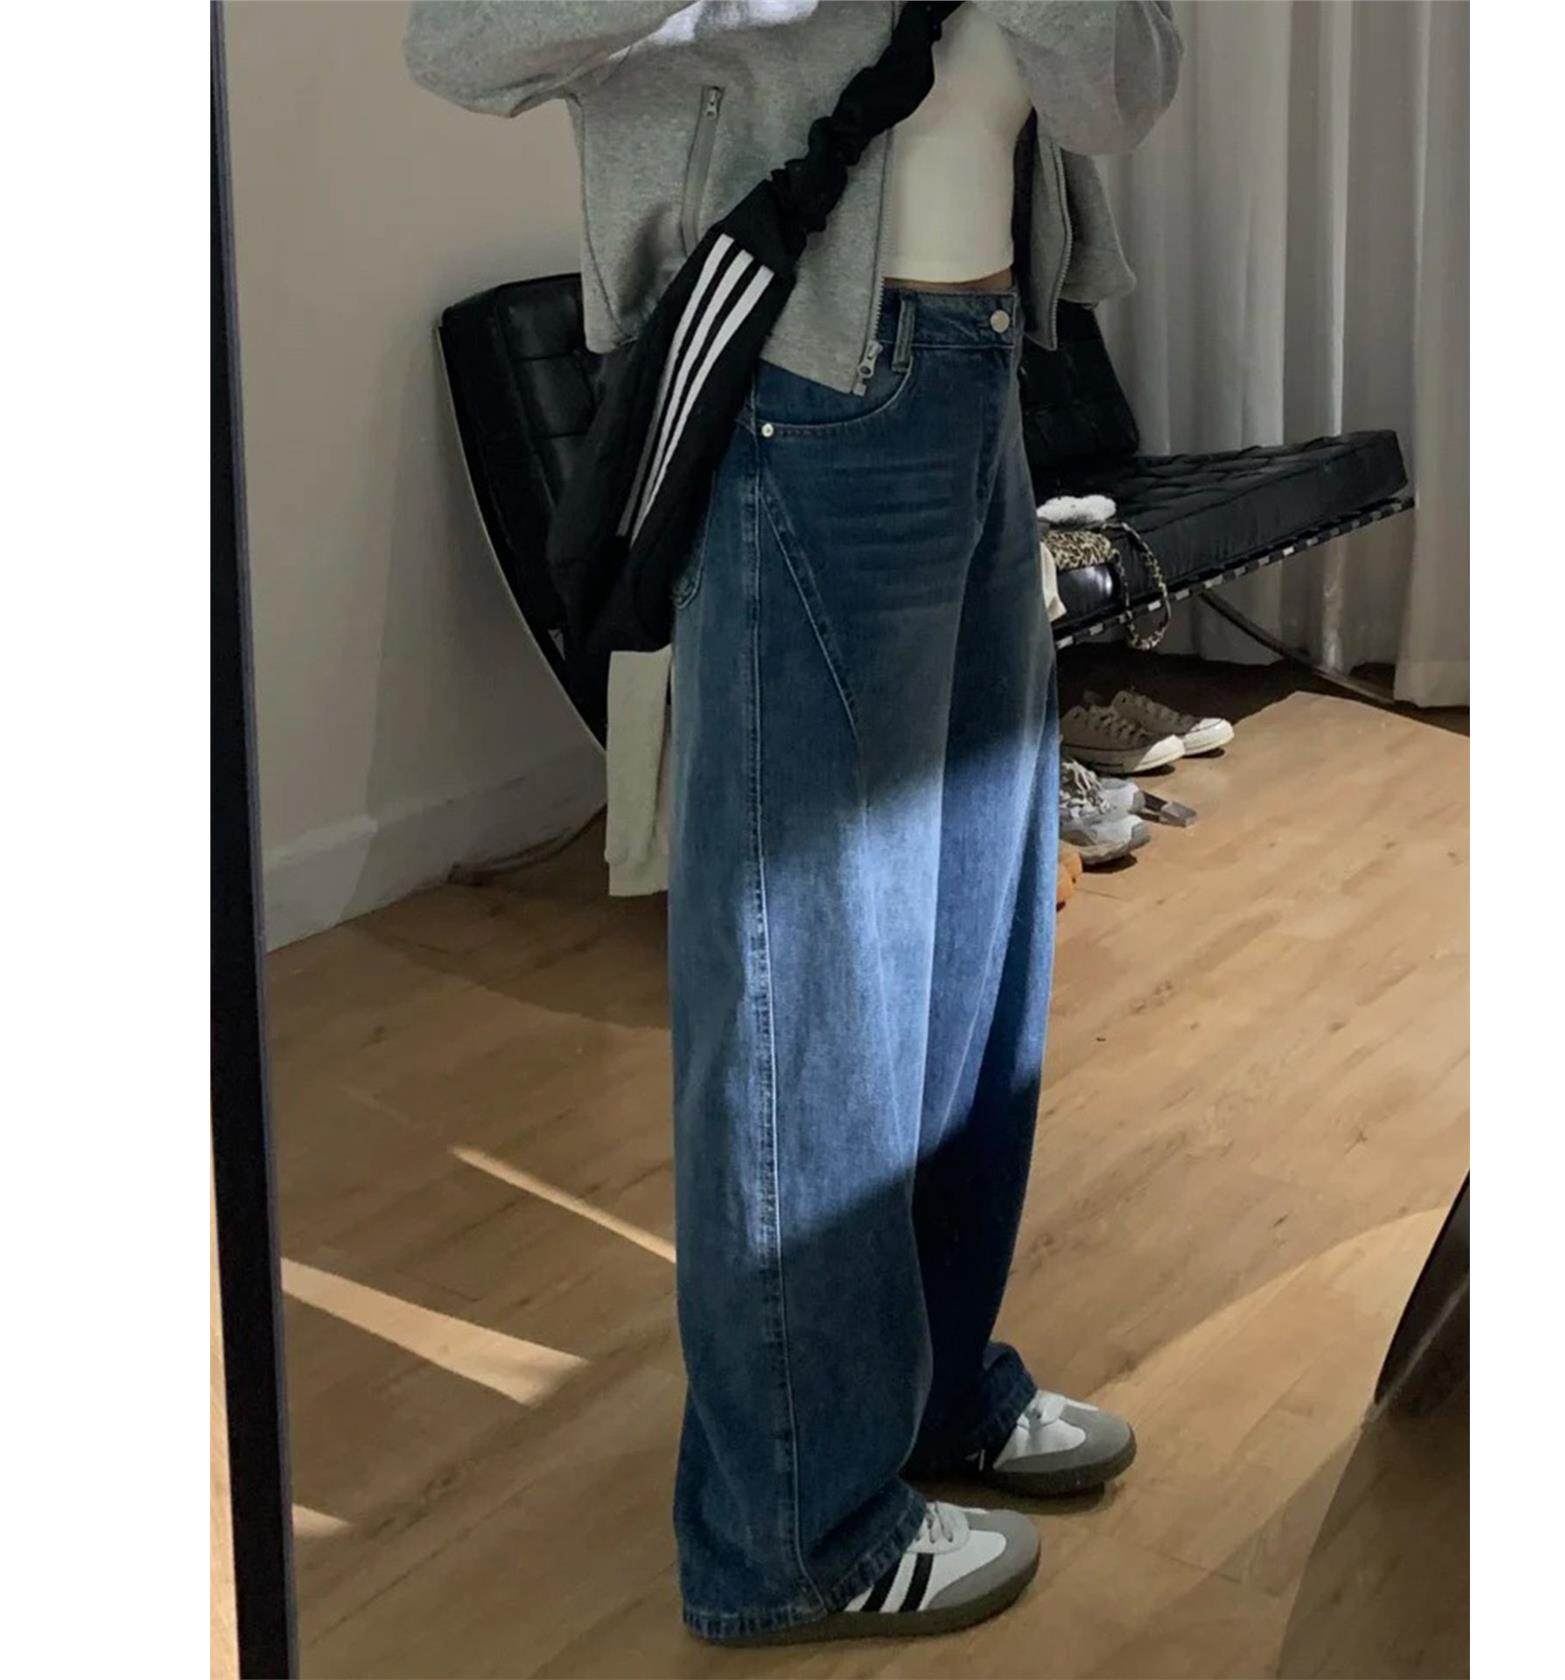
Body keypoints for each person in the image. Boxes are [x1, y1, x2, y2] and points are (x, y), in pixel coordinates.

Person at [404, 0, 1182, 1647]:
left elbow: (1123, 88)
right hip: (800, 388)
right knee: (808, 979)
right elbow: (459, 42)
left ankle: (927, 1396)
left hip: (980, 369)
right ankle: (795, 1530)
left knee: (971, 959)